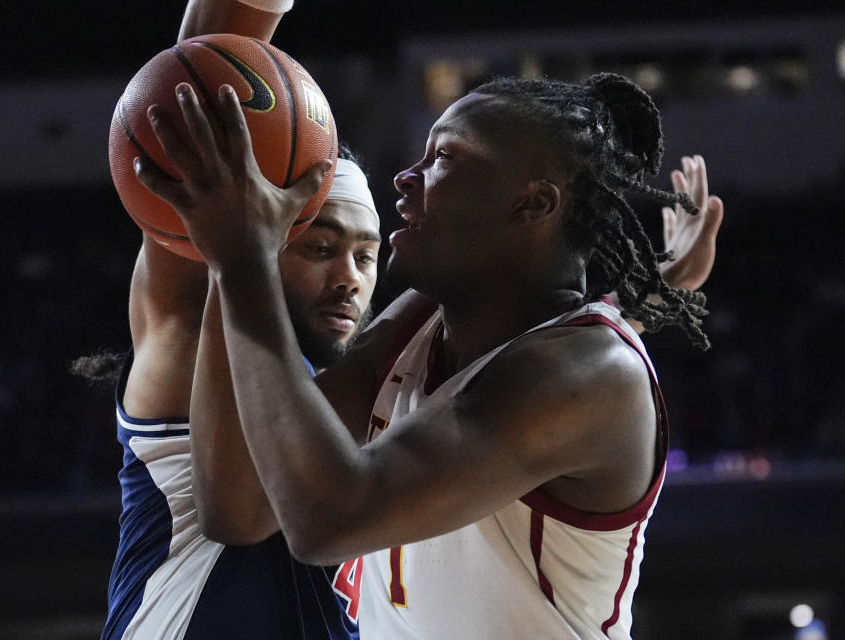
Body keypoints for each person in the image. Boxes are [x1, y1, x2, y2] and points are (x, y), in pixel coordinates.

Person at [134, 59, 724, 638]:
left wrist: (243, 255)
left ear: (533, 204)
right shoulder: (419, 323)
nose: (406, 176)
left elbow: (329, 520)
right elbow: (240, 510)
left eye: (444, 157)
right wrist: (223, 258)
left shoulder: (588, 375)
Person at [90, 2, 380, 638]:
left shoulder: (373, 394)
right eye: (322, 248)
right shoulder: (194, 333)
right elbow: (188, 124)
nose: (350, 276)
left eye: (366, 254)